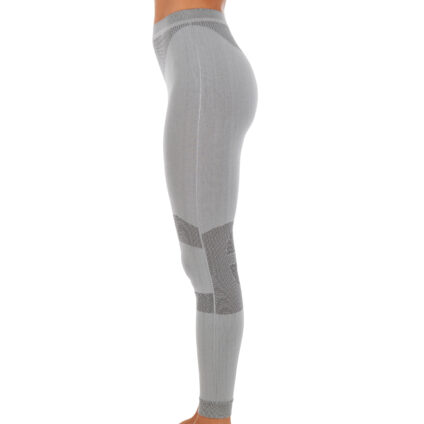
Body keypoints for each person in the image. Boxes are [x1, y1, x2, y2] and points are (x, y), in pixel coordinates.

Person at [153, 1, 257, 423]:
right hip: (198, 61)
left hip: (203, 71)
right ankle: (212, 415)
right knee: (204, 257)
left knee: (209, 261)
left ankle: (215, 418)